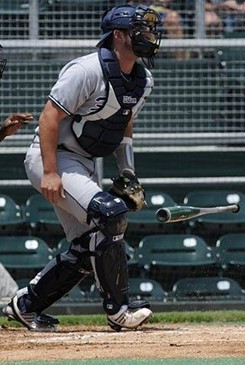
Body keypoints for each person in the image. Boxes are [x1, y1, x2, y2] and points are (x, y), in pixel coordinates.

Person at [2, 3, 162, 332]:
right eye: (140, 30)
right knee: (111, 214)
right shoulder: (86, 69)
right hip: (52, 157)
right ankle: (119, 310)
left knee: (92, 245)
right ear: (118, 35)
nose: (149, 36)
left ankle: (25, 305)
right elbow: (49, 118)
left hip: (84, 162)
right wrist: (49, 172)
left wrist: (128, 173)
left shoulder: (143, 80)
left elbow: (124, 127)